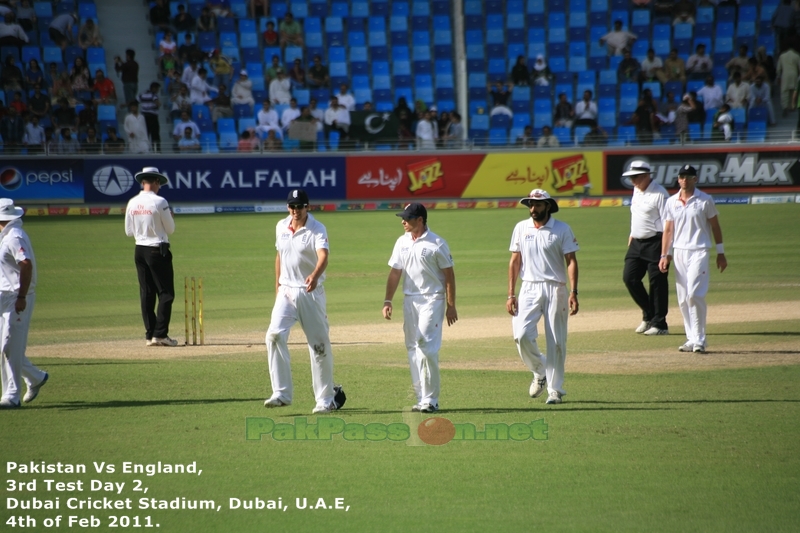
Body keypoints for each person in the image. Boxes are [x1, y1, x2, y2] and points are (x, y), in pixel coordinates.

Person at [264, 189, 346, 414]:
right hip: (286, 291)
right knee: (274, 335)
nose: (295, 211)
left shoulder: (317, 229)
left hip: (310, 291)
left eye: (299, 206)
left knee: (318, 346)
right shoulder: (281, 226)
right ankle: (281, 393)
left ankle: (326, 399)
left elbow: (323, 255)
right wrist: (278, 288)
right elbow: (279, 256)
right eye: (292, 206)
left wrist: (315, 274)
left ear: (307, 207)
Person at [382, 203, 457, 413]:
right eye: (403, 217)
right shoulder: (401, 242)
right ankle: (421, 397)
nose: (403, 221)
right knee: (412, 348)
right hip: (409, 300)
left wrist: (451, 305)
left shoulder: (437, 243)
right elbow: (395, 272)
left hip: (432, 298)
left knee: (425, 344)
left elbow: (449, 275)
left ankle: (431, 399)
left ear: (420, 220)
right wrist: (388, 300)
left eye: (407, 218)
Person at [507, 189, 579, 405]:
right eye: (530, 205)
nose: (533, 209)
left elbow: (571, 261)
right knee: (521, 334)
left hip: (556, 287)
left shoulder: (562, 229)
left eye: (537, 205)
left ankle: (555, 390)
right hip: (528, 287)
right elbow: (514, 262)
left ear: (548, 205)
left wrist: (574, 291)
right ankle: (540, 370)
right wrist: (511, 293)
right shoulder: (521, 228)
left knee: (556, 340)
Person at [659, 165, 727, 354]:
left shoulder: (705, 200)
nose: (685, 180)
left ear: (695, 179)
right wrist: (664, 255)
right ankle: (691, 338)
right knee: (682, 299)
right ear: (678, 179)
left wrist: (720, 253)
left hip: (699, 250)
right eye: (682, 177)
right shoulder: (671, 202)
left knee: (694, 294)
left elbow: (715, 227)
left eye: (689, 177)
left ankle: (700, 339)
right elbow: (668, 230)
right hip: (680, 252)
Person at [0, 199, 48, 409]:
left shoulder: (14, 237)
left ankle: (12, 395)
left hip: (17, 298)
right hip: (4, 297)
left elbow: (25, 265)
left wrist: (21, 296)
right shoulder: (4, 236)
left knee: (9, 346)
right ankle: (36, 377)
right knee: (5, 347)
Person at [125, 168, 177, 347]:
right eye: (159, 184)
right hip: (157, 249)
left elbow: (128, 231)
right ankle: (160, 335)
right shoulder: (160, 201)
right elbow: (170, 229)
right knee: (166, 293)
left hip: (139, 249)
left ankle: (150, 334)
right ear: (155, 182)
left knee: (146, 292)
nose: (160, 187)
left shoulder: (132, 202)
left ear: (142, 182)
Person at [621, 161, 670, 336]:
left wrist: (666, 253)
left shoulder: (660, 194)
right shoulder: (636, 190)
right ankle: (649, 315)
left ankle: (660, 324)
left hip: (656, 242)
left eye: (636, 177)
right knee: (629, 278)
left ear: (646, 176)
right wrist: (632, 234)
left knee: (657, 283)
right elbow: (637, 215)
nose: (633, 181)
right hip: (636, 242)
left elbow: (668, 224)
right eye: (631, 177)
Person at [776, 45, 800, 116]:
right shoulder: (797, 55)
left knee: (784, 91)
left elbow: (779, 68)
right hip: (794, 74)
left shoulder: (782, 56)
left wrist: (778, 76)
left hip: (785, 75)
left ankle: (785, 107)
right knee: (794, 90)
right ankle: (792, 106)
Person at [138, 82, 161, 152]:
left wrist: (125, 105)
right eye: (157, 89)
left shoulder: (143, 93)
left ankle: (144, 150)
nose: (158, 90)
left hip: (144, 117)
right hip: (152, 117)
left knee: (145, 134)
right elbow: (157, 102)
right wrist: (158, 104)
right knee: (155, 134)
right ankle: (157, 150)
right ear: (154, 88)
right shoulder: (154, 95)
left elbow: (136, 100)